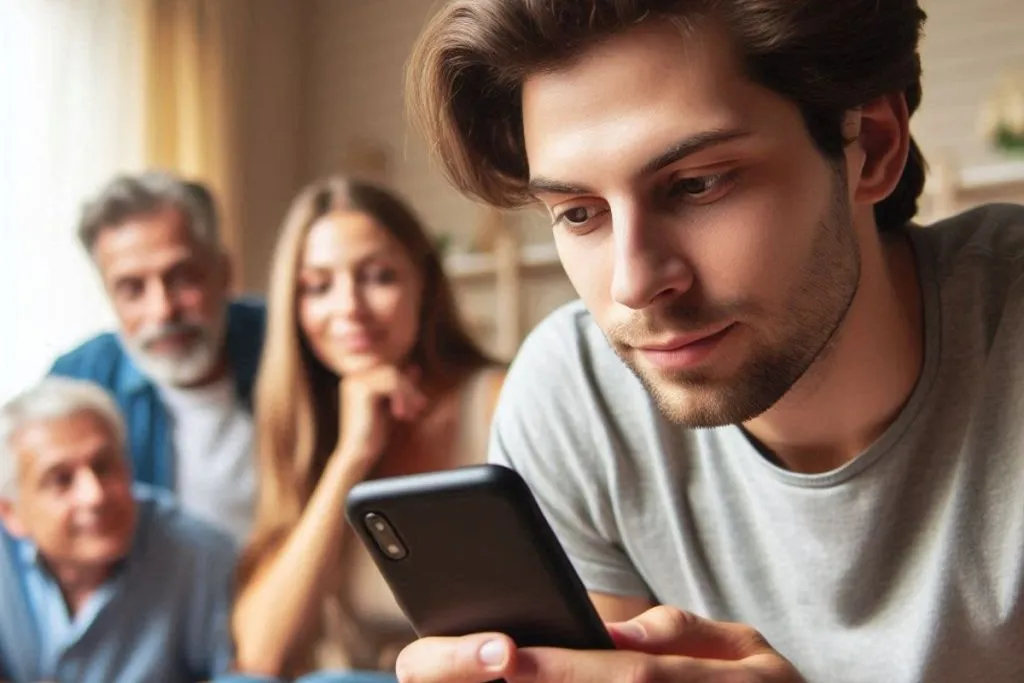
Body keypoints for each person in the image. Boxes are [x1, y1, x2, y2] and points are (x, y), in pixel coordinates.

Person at [394, 1, 1024, 682]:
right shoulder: (575, 398)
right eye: (578, 213)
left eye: (697, 184)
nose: (634, 284)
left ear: (870, 146)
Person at [231, 177, 506, 679]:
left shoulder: (500, 401)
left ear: (424, 284)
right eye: (318, 287)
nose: (349, 308)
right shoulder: (306, 431)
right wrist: (350, 458)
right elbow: (260, 655)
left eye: (378, 277)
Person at [49, 170, 265, 544]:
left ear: (224, 273)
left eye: (182, 278)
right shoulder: (79, 382)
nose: (162, 310)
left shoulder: (288, 344)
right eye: (132, 289)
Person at [0, 377, 237, 683]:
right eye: (61, 480)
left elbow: (245, 674)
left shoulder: (202, 556)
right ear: (11, 512)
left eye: (104, 466)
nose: (94, 495)